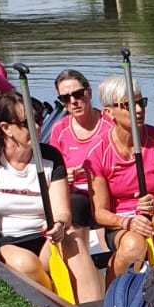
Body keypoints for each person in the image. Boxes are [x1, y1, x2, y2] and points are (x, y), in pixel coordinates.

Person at [0, 90, 100, 302]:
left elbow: (62, 211)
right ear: (5, 128)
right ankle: (59, 306)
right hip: (6, 241)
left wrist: (60, 225)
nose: (36, 127)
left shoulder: (50, 157)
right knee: (25, 264)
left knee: (74, 242)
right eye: (26, 123)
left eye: (39, 120)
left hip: (46, 238)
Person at [89, 73, 154, 280]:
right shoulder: (97, 152)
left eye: (141, 102)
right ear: (109, 113)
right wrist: (127, 223)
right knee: (133, 245)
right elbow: (99, 214)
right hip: (121, 224)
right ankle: (117, 300)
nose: (138, 110)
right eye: (128, 105)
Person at [46, 68, 110, 248]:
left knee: (102, 203)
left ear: (88, 93)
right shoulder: (59, 130)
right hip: (77, 194)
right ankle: (81, 255)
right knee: (75, 203)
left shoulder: (110, 125)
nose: (73, 101)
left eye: (78, 94)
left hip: (109, 191)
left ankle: (108, 253)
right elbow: (52, 173)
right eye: (65, 98)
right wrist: (64, 176)